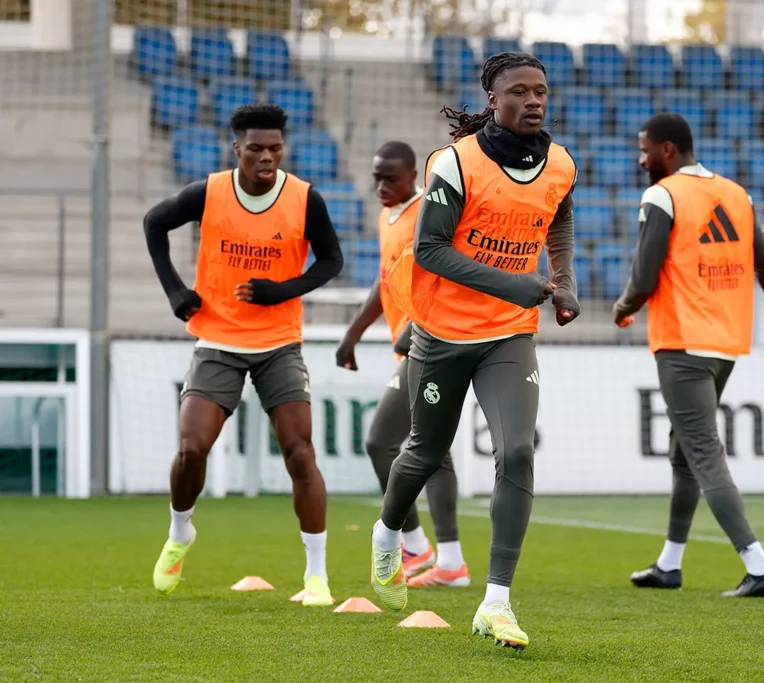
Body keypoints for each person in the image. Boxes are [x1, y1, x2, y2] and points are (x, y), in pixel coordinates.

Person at [369, 52, 580, 651]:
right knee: (424, 451)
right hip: (441, 333)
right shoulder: (456, 165)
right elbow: (431, 251)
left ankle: (496, 601)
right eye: (520, 91)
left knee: (516, 451)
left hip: (510, 334)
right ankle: (389, 536)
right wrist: (519, 283)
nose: (534, 100)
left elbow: (560, 218)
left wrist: (563, 282)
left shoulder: (561, 163)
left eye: (541, 91)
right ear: (494, 100)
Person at [144, 103, 343, 607]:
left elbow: (332, 259)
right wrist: (174, 292)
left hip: (279, 343)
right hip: (217, 341)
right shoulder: (209, 192)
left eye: (275, 148)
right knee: (192, 449)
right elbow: (153, 223)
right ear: (236, 148)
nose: (267, 157)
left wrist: (286, 290)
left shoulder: (303, 199)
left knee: (300, 451)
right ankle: (180, 531)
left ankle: (316, 576)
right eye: (256, 148)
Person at [614, 112, 764, 599]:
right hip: (724, 343)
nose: (641, 160)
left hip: (682, 342)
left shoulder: (661, 195)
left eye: (645, 150)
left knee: (703, 453)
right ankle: (669, 564)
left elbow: (644, 277)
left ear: (667, 150)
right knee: (684, 452)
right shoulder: (736, 194)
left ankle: (759, 567)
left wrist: (623, 308)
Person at [335, 141, 470, 588]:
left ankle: (422, 549)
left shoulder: (425, 214)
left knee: (382, 442)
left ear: (415, 174)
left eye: (390, 178)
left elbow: (447, 275)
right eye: (376, 177)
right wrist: (353, 333)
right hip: (410, 347)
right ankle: (443, 559)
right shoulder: (386, 216)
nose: (380, 186)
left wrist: (416, 327)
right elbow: (386, 280)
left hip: (432, 343)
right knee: (432, 448)